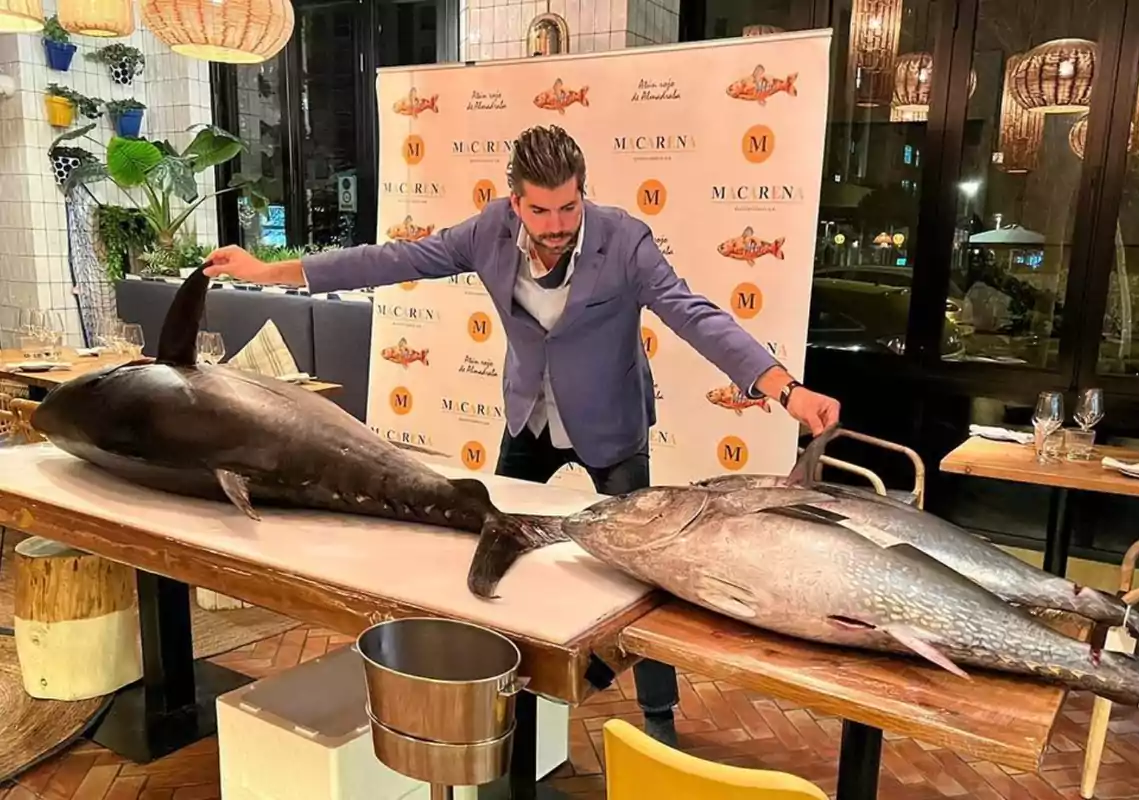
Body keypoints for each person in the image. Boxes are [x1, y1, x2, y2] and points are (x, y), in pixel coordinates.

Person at [203, 124, 841, 747]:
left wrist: (786, 388)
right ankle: (497, 680)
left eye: (569, 206)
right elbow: (391, 258)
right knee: (492, 535)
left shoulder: (625, 242)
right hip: (527, 418)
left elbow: (696, 315)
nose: (557, 223)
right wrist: (270, 274)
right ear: (515, 202)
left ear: (583, 192)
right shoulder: (489, 231)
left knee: (646, 572)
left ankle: (660, 713)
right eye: (541, 210)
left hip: (608, 422)